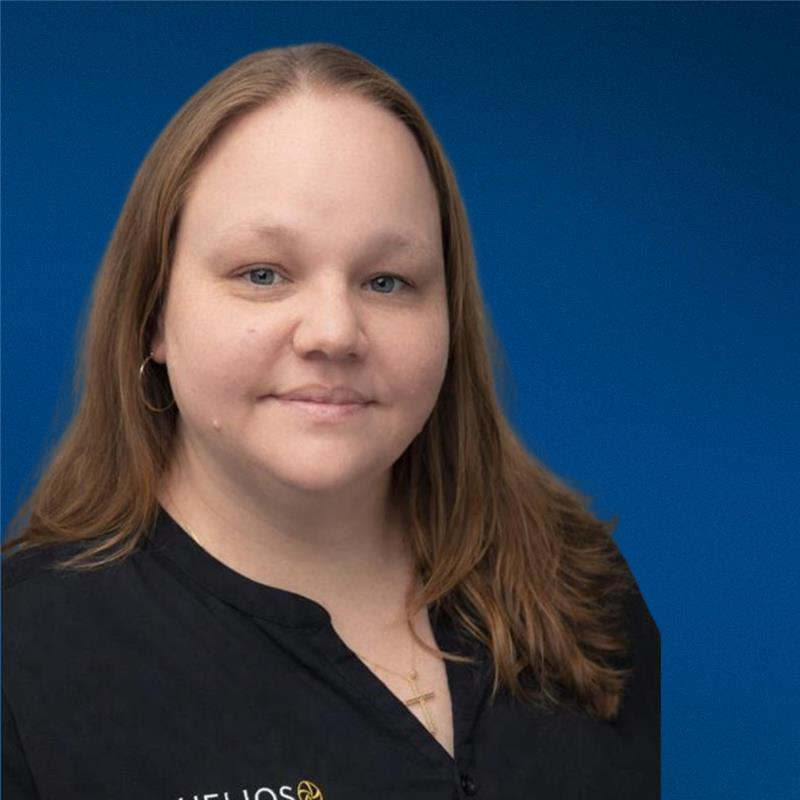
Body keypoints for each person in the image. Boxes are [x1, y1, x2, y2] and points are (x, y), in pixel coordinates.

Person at [2, 43, 659, 799]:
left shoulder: (582, 584)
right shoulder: (25, 656)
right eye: (262, 274)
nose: (334, 332)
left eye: (388, 280)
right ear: (153, 317)